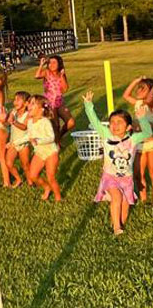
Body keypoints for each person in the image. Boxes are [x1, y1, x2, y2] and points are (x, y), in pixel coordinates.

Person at [83, 90, 152, 235]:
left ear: (128, 127)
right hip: (110, 177)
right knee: (117, 198)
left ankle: (120, 224)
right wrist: (89, 105)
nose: (115, 125)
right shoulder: (107, 135)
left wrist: (142, 119)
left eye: (119, 122)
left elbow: (147, 134)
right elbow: (94, 122)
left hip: (126, 179)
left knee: (126, 204)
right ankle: (116, 228)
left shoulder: (133, 139)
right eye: (112, 122)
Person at [122, 76, 153, 201]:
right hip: (139, 145)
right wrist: (136, 80)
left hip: (151, 145)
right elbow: (126, 95)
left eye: (143, 89)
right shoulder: (138, 103)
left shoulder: (151, 107)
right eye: (138, 88)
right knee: (138, 174)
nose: (138, 91)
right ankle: (144, 199)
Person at [27, 95, 61, 201]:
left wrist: (38, 140)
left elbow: (51, 137)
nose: (29, 105)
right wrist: (14, 143)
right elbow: (28, 136)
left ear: (41, 109)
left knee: (51, 177)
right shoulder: (29, 122)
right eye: (29, 103)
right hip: (39, 153)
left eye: (33, 103)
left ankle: (58, 198)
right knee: (33, 176)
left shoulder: (45, 121)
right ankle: (47, 187)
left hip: (51, 152)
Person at [35, 55, 74, 141]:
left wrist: (62, 76)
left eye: (54, 62)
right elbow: (37, 76)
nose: (51, 65)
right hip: (49, 103)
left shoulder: (61, 74)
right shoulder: (46, 72)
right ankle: (56, 144)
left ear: (59, 64)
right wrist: (41, 64)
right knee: (55, 125)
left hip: (59, 102)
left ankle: (59, 136)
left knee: (71, 122)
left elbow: (65, 89)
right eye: (49, 63)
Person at [1, 91, 32, 186]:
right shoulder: (13, 112)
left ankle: (30, 182)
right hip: (13, 143)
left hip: (23, 144)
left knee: (25, 165)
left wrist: (14, 122)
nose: (15, 102)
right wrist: (4, 120)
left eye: (18, 100)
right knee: (8, 163)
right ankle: (18, 179)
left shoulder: (28, 115)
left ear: (26, 103)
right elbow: (7, 123)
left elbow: (24, 127)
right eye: (14, 100)